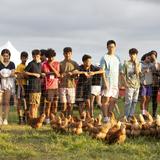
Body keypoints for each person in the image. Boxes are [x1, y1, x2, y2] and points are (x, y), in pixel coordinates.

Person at [100, 40, 122, 122]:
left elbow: (120, 71)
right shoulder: (104, 57)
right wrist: (105, 82)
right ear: (107, 47)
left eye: (113, 47)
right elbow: (102, 71)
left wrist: (120, 82)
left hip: (115, 83)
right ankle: (105, 117)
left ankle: (109, 116)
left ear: (115, 47)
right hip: (108, 81)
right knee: (105, 100)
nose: (111, 48)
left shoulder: (117, 58)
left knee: (113, 100)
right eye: (109, 47)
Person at [42, 48, 60, 124]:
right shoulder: (44, 64)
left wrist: (51, 66)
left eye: (52, 57)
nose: (51, 58)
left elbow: (58, 74)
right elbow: (45, 73)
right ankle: (47, 118)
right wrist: (51, 72)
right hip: (48, 87)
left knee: (55, 104)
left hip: (56, 86)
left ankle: (54, 118)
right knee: (48, 104)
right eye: (49, 57)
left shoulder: (57, 63)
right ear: (47, 57)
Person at [122, 48, 141, 119]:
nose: (133, 56)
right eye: (132, 54)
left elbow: (137, 73)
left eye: (134, 54)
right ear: (129, 55)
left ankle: (130, 116)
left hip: (137, 85)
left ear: (136, 55)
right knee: (128, 102)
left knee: (134, 101)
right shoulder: (126, 63)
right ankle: (126, 117)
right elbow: (123, 74)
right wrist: (125, 83)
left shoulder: (139, 63)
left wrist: (135, 64)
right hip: (129, 85)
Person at [59, 47, 79, 117]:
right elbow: (58, 74)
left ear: (71, 54)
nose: (67, 55)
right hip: (62, 86)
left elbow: (78, 71)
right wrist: (60, 75)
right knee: (63, 104)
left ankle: (70, 118)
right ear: (63, 54)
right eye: (66, 53)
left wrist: (73, 72)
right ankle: (63, 119)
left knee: (70, 104)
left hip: (71, 86)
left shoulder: (75, 63)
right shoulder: (60, 63)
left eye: (69, 53)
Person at [24, 49, 43, 118]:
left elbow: (39, 74)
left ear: (39, 56)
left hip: (39, 87)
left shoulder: (40, 64)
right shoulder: (31, 63)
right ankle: (32, 119)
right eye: (34, 56)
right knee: (33, 104)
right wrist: (34, 74)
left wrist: (41, 74)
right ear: (32, 56)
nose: (36, 58)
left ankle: (35, 118)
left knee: (37, 104)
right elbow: (25, 72)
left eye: (37, 56)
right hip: (32, 87)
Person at [0, 49, 15, 125]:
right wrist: (7, 74)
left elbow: (13, 74)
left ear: (9, 56)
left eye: (7, 56)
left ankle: (5, 119)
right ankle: (0, 118)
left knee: (6, 102)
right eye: (4, 56)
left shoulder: (12, 63)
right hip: (0, 84)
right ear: (2, 56)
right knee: (0, 102)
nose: (5, 57)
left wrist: (4, 74)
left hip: (8, 85)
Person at [15, 51, 29, 124]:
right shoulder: (19, 66)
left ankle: (24, 118)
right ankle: (20, 119)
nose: (25, 59)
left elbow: (26, 77)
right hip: (20, 86)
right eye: (23, 58)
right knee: (20, 103)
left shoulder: (26, 66)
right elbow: (18, 77)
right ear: (21, 58)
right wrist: (22, 88)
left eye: (26, 58)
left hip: (26, 85)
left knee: (25, 102)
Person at [149, 50, 160, 117]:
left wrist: (155, 73)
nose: (152, 56)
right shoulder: (149, 64)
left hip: (157, 83)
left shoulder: (158, 64)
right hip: (151, 84)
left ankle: (154, 114)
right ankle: (152, 114)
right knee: (152, 100)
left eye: (154, 55)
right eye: (151, 54)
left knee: (155, 99)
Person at [39, 49, 48, 115]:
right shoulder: (39, 63)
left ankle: (46, 116)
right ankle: (41, 115)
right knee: (41, 101)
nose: (40, 57)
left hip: (48, 85)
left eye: (41, 55)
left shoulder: (48, 63)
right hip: (41, 85)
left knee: (47, 101)